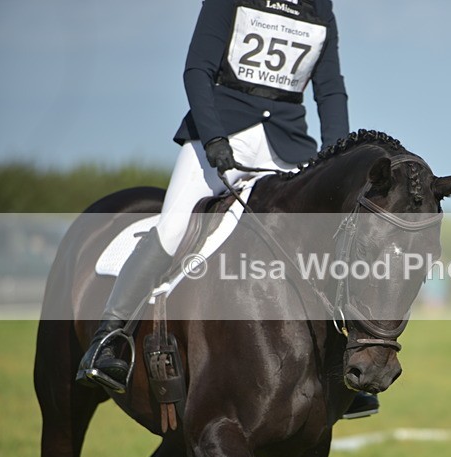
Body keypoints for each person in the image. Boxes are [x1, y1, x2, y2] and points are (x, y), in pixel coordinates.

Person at [76, 0, 379, 418]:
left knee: (320, 242)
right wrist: (214, 137)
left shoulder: (319, 8)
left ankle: (337, 364)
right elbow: (197, 69)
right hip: (220, 132)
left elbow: (329, 90)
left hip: (288, 144)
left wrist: (335, 160)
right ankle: (109, 338)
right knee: (174, 227)